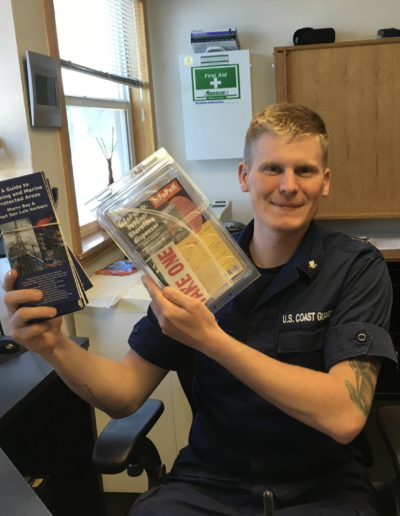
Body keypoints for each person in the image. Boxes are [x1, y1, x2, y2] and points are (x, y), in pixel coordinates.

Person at [2, 103, 397, 516]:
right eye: (272, 168)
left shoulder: (356, 268)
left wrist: (212, 341)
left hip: (322, 489)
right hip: (209, 486)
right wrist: (54, 346)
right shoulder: (193, 263)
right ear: (244, 176)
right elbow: (124, 394)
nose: (288, 185)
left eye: (305, 170)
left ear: (325, 181)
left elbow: (345, 415)